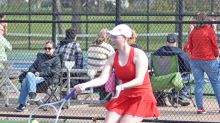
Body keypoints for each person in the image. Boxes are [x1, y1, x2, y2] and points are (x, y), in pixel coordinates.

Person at [74, 24, 160, 123]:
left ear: (125, 38)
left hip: (142, 97)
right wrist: (84, 85)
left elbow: (139, 80)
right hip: (124, 96)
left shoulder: (139, 54)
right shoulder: (113, 57)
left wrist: (121, 86)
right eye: (112, 36)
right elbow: (103, 78)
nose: (112, 39)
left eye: (115, 37)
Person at [187, 12, 220, 114]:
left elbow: (190, 47)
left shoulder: (193, 32)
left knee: (198, 84)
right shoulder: (209, 31)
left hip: (195, 60)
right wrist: (216, 55)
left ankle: (200, 108)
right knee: (215, 83)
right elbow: (215, 46)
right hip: (209, 60)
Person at [15, 41, 61, 112]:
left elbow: (54, 71)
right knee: (29, 74)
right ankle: (32, 94)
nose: (47, 50)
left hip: (46, 78)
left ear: (54, 49)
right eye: (45, 48)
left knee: (25, 81)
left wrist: (40, 73)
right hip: (35, 78)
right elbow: (32, 67)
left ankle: (22, 105)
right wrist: (35, 72)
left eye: (49, 48)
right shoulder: (40, 57)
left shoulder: (56, 59)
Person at [153, 33, 191, 106]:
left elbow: (151, 64)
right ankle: (178, 96)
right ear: (176, 43)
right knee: (190, 78)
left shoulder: (157, 52)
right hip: (175, 78)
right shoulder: (180, 52)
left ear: (166, 42)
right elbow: (188, 67)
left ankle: (171, 95)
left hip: (161, 78)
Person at [87, 28, 115, 100]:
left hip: (91, 73)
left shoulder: (91, 45)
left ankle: (103, 96)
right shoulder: (108, 47)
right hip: (101, 74)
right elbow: (114, 59)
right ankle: (108, 97)